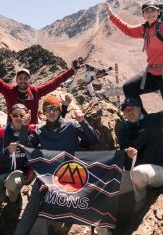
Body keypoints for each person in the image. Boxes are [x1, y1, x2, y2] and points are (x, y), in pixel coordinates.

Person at [95, 78, 163, 235]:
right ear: (123, 113)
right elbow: (124, 161)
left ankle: (139, 203)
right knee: (106, 186)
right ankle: (102, 230)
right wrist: (127, 155)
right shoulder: (123, 129)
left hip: (160, 171)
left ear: (140, 108)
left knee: (139, 172)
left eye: (133, 107)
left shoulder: (153, 120)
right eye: (126, 109)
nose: (130, 111)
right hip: (137, 176)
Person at [105, 2, 163, 159]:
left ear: (158, 12)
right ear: (143, 14)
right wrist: (112, 16)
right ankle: (146, 123)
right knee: (129, 87)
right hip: (153, 71)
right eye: (146, 12)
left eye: (153, 11)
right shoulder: (145, 29)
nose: (150, 14)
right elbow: (127, 29)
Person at [14, 95, 101, 235]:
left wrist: (83, 121)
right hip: (47, 176)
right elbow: (26, 147)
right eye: (47, 109)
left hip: (70, 176)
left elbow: (94, 139)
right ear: (44, 112)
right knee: (30, 210)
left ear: (60, 110)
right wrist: (24, 127)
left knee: (46, 211)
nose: (51, 112)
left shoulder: (72, 125)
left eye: (54, 108)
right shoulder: (40, 129)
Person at [0, 52, 79, 124]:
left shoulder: (36, 92)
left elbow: (54, 83)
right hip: (13, 130)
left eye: (25, 78)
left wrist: (72, 71)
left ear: (29, 80)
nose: (23, 81)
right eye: (20, 78)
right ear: (16, 80)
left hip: (32, 131)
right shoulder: (8, 91)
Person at [0, 103, 34, 235]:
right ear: (10, 116)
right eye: (15, 115)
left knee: (13, 181)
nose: (18, 118)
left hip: (19, 173)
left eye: (22, 115)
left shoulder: (32, 130)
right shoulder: (2, 132)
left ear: (27, 115)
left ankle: (14, 198)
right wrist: (7, 151)